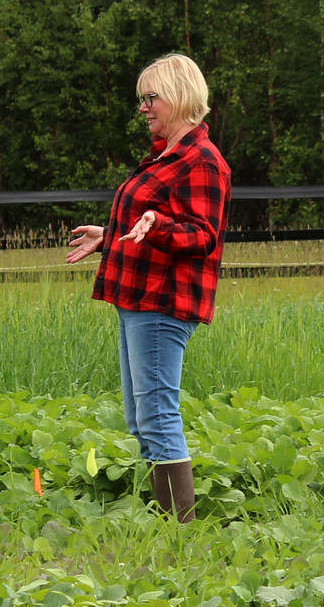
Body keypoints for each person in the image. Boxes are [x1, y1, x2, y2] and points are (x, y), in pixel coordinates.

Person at [65, 54, 231, 522]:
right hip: (137, 298)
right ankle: (164, 520)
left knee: (158, 415)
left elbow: (203, 235)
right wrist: (110, 235)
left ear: (178, 96)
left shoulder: (203, 161)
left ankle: (179, 529)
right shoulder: (167, 155)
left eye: (151, 97)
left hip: (163, 303)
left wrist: (156, 225)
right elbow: (149, 221)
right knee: (142, 418)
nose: (144, 108)